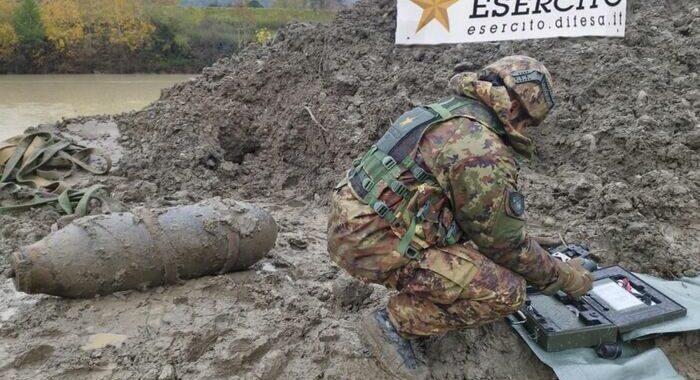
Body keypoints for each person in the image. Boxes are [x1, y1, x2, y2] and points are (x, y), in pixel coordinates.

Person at [326, 56, 594, 379]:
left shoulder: (448, 112)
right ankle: (393, 323)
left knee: (479, 259)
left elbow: (475, 218)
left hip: (353, 220)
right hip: (369, 240)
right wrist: (565, 277)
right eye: (528, 124)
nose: (525, 131)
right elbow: (505, 246)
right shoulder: (480, 146)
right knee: (506, 291)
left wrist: (527, 242)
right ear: (513, 111)